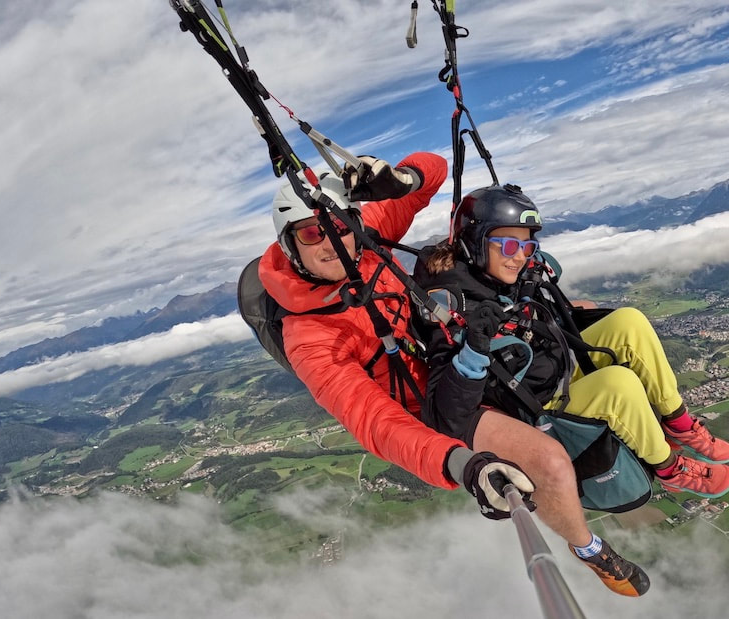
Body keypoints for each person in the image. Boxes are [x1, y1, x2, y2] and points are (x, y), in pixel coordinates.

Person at [257, 153, 650, 596]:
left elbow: (434, 171)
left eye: (341, 226)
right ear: (289, 244)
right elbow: (376, 424)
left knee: (572, 322)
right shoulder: (311, 338)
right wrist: (460, 463)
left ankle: (666, 440)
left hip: (458, 356)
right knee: (551, 464)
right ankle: (590, 550)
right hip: (434, 409)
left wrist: (395, 179)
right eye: (312, 233)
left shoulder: (366, 240)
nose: (333, 241)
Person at [413, 185, 729, 590]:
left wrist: (540, 284)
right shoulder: (450, 303)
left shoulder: (494, 272)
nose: (519, 255)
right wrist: (473, 352)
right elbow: (445, 415)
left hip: (555, 365)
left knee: (629, 322)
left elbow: (538, 306)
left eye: (528, 246)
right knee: (618, 384)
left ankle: (680, 424)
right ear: (477, 242)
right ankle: (670, 468)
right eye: (508, 244)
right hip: (534, 402)